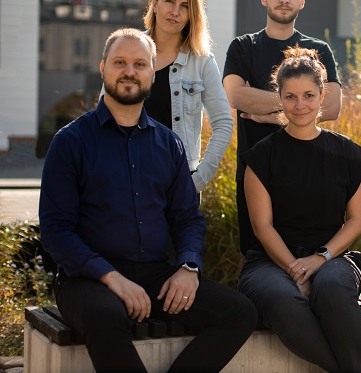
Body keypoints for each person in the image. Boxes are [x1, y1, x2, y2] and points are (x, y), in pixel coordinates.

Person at [39, 28, 257, 373]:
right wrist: (111, 277)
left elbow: (187, 218)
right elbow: (55, 230)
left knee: (239, 313)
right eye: (120, 63)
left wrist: (188, 268)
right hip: (88, 279)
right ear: (103, 68)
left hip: (156, 275)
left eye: (140, 64)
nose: (130, 71)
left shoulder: (169, 144)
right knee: (105, 315)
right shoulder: (70, 142)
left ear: (152, 73)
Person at [237, 46, 361, 372]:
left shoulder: (347, 154)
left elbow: (357, 221)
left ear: (322, 95)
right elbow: (262, 227)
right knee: (282, 299)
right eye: (291, 97)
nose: (300, 105)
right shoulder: (261, 156)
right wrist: (294, 269)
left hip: (332, 258)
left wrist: (319, 259)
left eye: (309, 96)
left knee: (332, 289)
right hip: (269, 262)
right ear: (280, 98)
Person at [223, 0, 341, 254]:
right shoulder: (243, 47)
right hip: (256, 175)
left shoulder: (318, 50)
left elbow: (332, 106)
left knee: (309, 262)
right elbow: (236, 95)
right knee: (259, 263)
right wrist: (303, 102)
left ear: (302, 1)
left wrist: (267, 114)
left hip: (309, 175)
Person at [143, 0, 233, 193]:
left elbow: (223, 123)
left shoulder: (201, 61)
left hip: (178, 183)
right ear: (155, 4)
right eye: (169, 1)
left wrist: (197, 181)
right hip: (128, 179)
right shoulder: (129, 50)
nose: (175, 12)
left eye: (185, 6)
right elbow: (105, 114)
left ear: (192, 15)